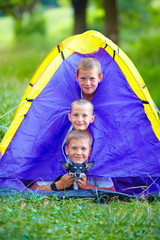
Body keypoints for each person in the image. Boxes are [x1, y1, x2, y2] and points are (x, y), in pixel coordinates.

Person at [31, 129, 115, 191]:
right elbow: (33, 190)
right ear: (67, 150)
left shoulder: (98, 166)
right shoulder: (54, 165)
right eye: (74, 148)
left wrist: (87, 186)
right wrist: (58, 185)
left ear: (90, 152)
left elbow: (112, 192)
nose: (78, 153)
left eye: (83, 149)